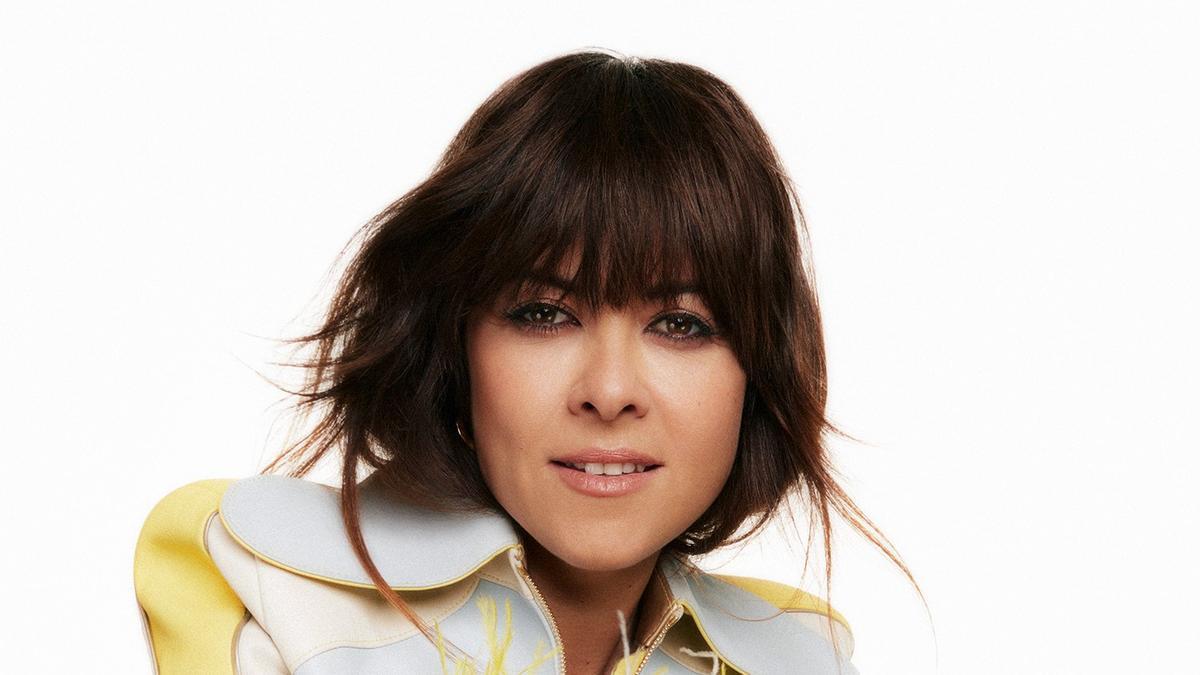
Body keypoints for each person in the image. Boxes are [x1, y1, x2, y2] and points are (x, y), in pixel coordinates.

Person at [133, 48, 918, 675]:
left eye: (681, 324)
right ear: (454, 344)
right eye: (544, 313)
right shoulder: (268, 583)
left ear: (758, 375)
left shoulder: (798, 654)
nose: (610, 390)